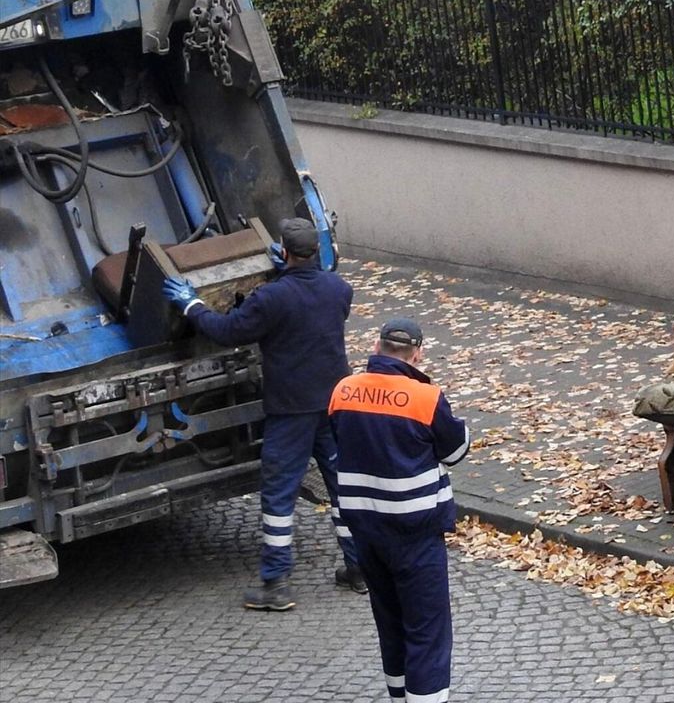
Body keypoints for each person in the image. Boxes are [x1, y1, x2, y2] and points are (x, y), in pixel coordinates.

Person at [162, 218, 365, 611]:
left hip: (290, 411)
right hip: (334, 404)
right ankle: (360, 569)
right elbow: (314, 297)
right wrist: (292, 270)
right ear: (317, 253)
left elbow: (226, 331)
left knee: (278, 495)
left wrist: (190, 303)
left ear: (285, 252)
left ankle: (275, 584)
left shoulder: (271, 298)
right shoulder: (339, 289)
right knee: (344, 489)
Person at [328, 318, 470, 703]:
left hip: (366, 532)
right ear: (417, 354)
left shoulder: (344, 390)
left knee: (390, 625)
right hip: (415, 533)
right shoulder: (426, 397)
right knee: (426, 631)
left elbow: (341, 438)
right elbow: (456, 450)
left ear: (376, 347)